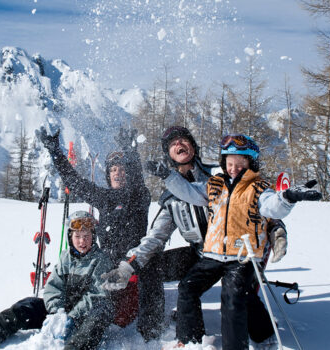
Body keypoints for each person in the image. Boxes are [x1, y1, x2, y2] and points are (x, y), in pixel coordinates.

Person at [101, 126, 288, 348]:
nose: (178, 144)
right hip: (201, 254)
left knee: (241, 293)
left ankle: (264, 336)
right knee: (152, 265)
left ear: (193, 146)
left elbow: (257, 200)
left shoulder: (220, 174)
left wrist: (276, 228)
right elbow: (154, 238)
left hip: (239, 251)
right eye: (172, 144)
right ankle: (166, 333)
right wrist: (128, 266)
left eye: (183, 140)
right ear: (168, 155)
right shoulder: (170, 198)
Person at [147, 133, 321, 350]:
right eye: (229, 164)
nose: (234, 169)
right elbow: (189, 193)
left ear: (250, 163)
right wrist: (168, 176)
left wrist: (287, 198)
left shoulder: (257, 188)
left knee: (232, 299)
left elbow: (271, 207)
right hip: (212, 254)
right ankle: (191, 341)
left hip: (242, 256)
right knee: (187, 288)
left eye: (240, 164)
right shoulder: (215, 184)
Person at [35, 126, 164, 341]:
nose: (118, 173)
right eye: (113, 169)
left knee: (153, 267)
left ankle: (151, 335)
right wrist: (55, 152)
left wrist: (130, 152)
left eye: (122, 169)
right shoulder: (103, 198)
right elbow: (74, 182)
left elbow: (138, 182)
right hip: (109, 262)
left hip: (137, 260)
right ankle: (65, 317)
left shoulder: (138, 196)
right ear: (107, 175)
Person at [0, 211, 114, 350]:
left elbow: (96, 295)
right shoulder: (66, 257)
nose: (82, 241)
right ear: (70, 237)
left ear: (93, 237)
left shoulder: (101, 260)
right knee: (29, 305)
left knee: (97, 318)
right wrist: (56, 312)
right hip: (62, 310)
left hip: (84, 315)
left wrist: (71, 316)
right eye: (77, 236)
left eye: (86, 236)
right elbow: (53, 286)